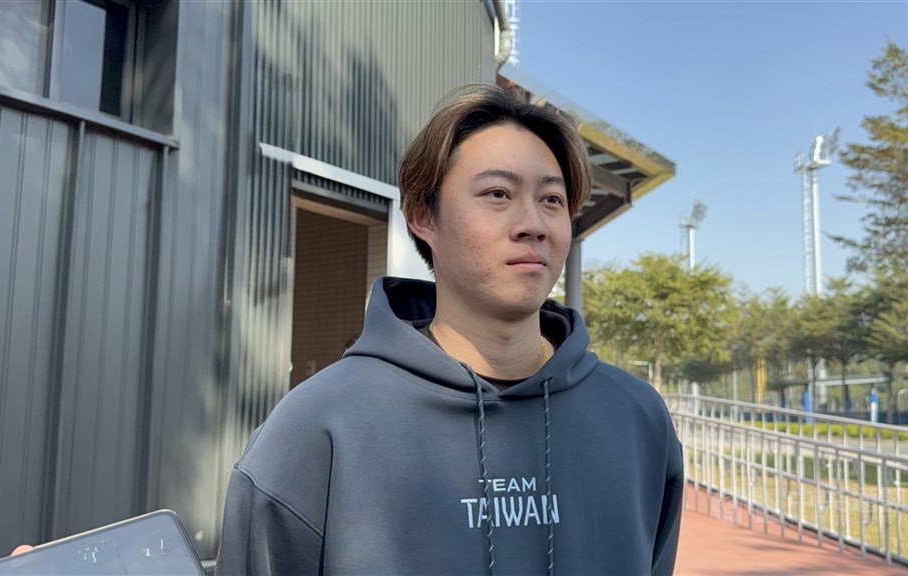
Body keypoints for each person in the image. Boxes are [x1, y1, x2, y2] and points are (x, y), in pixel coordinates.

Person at [215, 83, 683, 575]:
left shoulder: (637, 419)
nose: (533, 224)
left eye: (551, 199)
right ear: (423, 216)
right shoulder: (316, 427)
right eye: (498, 194)